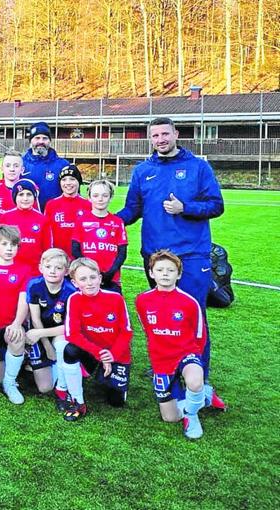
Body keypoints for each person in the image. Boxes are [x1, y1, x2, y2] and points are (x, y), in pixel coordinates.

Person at [117, 116, 225, 387]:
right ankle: (166, 368)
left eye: (165, 134)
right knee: (163, 315)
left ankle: (199, 377)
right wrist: (104, 220)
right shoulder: (143, 171)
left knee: (192, 315)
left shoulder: (198, 167)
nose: (161, 140)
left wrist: (185, 208)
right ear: (150, 139)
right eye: (155, 136)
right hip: (154, 257)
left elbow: (216, 205)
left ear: (176, 134)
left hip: (191, 255)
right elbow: (133, 210)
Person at [135, 250, 219, 439]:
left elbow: (200, 336)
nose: (165, 274)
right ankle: (205, 397)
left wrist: (193, 358)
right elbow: (147, 330)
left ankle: (192, 414)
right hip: (161, 360)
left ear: (179, 274)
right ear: (151, 273)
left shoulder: (189, 302)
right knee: (170, 417)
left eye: (170, 270)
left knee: (194, 381)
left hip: (185, 353)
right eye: (160, 269)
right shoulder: (142, 300)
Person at [59, 257, 133, 422]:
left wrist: (111, 355)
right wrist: (99, 353)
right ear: (75, 282)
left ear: (100, 278)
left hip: (115, 353)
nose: (89, 282)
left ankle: (106, 376)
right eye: (83, 279)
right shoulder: (75, 299)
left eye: (93, 277)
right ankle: (78, 401)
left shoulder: (115, 298)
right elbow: (72, 334)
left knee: (116, 402)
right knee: (69, 350)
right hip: (92, 351)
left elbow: (126, 332)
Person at [2, 248, 75, 405]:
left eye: (58, 268)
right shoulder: (34, 285)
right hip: (36, 330)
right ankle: (9, 382)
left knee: (45, 387)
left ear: (66, 271)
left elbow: (70, 327)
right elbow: (35, 319)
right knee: (15, 336)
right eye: (48, 267)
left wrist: (45, 339)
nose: (53, 271)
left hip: (56, 331)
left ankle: (62, 375)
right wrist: (46, 345)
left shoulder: (71, 292)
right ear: (41, 267)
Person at [0, 226, 32, 390]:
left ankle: (10, 383)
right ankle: (13, 359)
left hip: (11, 326)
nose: (9, 249)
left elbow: (24, 299)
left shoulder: (24, 270)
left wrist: (17, 323)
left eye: (13, 245)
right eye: (4, 244)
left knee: (16, 337)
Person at [73, 179, 128, 293]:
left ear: (111, 197)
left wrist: (110, 272)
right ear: (89, 198)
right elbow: (75, 249)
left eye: (105, 195)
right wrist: (90, 271)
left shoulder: (117, 222)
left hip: (111, 278)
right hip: (88, 278)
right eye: (96, 195)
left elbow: (122, 252)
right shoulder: (82, 221)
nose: (100, 199)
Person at [0, 179, 50, 274]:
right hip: (11, 269)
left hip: (34, 271)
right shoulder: (5, 217)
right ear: (15, 197)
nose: (25, 198)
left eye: (29, 194)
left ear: (34, 197)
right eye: (21, 194)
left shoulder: (42, 219)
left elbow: (47, 248)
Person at [44, 164, 91, 259]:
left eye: (72, 179)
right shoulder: (51, 205)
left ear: (79, 182)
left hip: (81, 260)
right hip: (57, 259)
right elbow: (45, 233)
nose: (68, 183)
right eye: (64, 180)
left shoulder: (88, 205)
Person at [22, 122, 71, 208]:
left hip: (55, 215)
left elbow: (73, 193)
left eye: (45, 138)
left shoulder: (63, 165)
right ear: (30, 141)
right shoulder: (20, 164)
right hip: (27, 217)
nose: (41, 141)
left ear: (49, 141)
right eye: (37, 138)